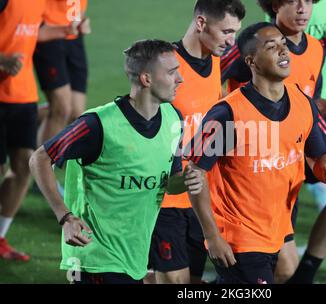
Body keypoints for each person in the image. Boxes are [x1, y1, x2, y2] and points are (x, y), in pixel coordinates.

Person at [221, 0, 326, 283]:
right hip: (257, 161)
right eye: (293, 2)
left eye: (308, 2)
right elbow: (210, 71)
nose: (303, 9)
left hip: (293, 147)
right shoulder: (255, 48)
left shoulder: (315, 49)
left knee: (283, 265)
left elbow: (309, 103)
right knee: (275, 266)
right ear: (274, 7)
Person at [29, 39, 204, 284]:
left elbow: (169, 183)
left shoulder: (173, 118)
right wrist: (65, 217)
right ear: (146, 79)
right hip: (94, 257)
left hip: (133, 256)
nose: (180, 79)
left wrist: (186, 180)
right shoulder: (98, 124)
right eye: (172, 72)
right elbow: (39, 158)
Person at [185, 22, 326, 284]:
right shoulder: (227, 114)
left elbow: (318, 154)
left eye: (283, 44)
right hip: (239, 238)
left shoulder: (302, 102)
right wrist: (212, 236)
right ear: (252, 62)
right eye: (272, 47)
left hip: (277, 231)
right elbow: (195, 171)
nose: (283, 51)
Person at [149, 0, 245, 284]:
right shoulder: (164, 64)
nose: (232, 41)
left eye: (235, 32)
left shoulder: (218, 61)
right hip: (164, 199)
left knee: (191, 281)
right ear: (201, 23)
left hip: (200, 197)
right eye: (226, 31)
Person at [0, 0, 79, 262]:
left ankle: (1, 237)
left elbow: (32, 31)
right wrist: (3, 59)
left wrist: (67, 29)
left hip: (23, 97)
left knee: (23, 169)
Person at [34, 0, 91, 146]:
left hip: (75, 37)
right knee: (62, 107)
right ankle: (41, 163)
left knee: (76, 112)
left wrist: (81, 20)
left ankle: (19, 120)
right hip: (48, 35)